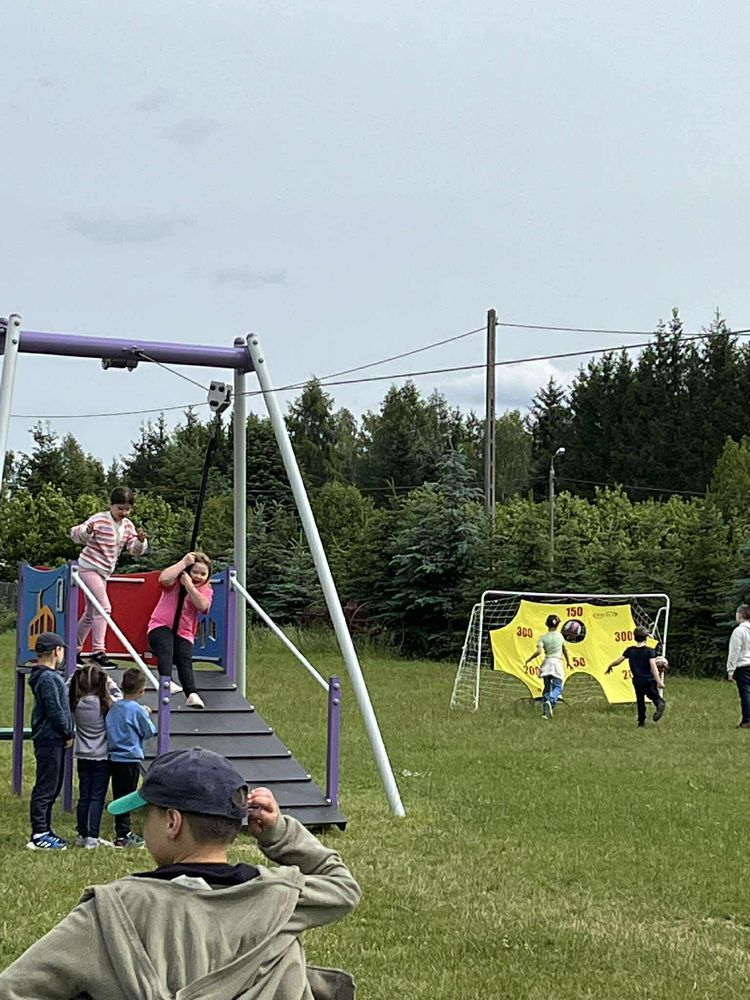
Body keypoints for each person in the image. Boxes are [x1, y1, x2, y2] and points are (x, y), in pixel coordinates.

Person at [0, 747, 362, 999]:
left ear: (172, 822)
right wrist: (279, 832)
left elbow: (14, 989)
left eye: (148, 815)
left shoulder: (111, 911)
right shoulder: (281, 899)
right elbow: (343, 886)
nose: (144, 825)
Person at [70, 486, 148, 668]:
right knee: (104, 608)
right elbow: (76, 535)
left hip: (103, 572)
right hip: (88, 568)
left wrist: (140, 541)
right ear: (111, 505)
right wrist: (87, 531)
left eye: (127, 509)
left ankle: (72, 650)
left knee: (90, 614)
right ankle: (98, 651)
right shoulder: (99, 519)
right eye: (120, 508)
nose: (124, 513)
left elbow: (134, 550)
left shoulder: (128, 526)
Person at [147, 551, 213, 710]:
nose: (198, 576)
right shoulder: (175, 582)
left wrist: (189, 585)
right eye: (195, 572)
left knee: (185, 659)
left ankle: (191, 693)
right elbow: (163, 578)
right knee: (166, 649)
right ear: (187, 571)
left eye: (203, 574)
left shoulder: (205, 590)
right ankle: (166, 681)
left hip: (184, 632)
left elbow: (202, 605)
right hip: (160, 625)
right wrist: (183, 563)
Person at [26, 632, 74, 851]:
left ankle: (46, 829)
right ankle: (39, 833)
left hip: (53, 738)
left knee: (53, 786)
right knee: (46, 786)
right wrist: (67, 732)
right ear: (57, 651)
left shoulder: (49, 676)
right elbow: (55, 710)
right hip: (50, 738)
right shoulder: (48, 678)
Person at [69, 662, 122, 848]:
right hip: (101, 755)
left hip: (82, 754)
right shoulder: (105, 704)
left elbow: (68, 687)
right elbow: (120, 697)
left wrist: (75, 677)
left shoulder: (76, 703)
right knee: (96, 797)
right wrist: (111, 683)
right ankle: (93, 836)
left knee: (84, 796)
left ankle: (82, 834)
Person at [105, 666, 156, 848]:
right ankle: (124, 833)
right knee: (128, 796)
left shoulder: (114, 707)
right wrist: (146, 714)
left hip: (113, 757)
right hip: (130, 758)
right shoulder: (137, 710)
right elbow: (149, 731)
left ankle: (121, 830)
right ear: (142, 690)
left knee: (118, 794)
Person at [605, 625, 666, 726]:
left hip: (637, 681)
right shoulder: (650, 651)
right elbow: (653, 667)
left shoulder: (630, 650)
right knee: (654, 696)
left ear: (634, 637)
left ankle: (641, 721)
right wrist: (659, 681)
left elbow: (619, 661)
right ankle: (660, 704)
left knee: (640, 700)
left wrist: (610, 666)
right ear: (646, 638)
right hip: (649, 680)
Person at [524, 613, 571, 720]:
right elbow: (565, 650)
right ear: (558, 625)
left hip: (547, 664)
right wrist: (568, 662)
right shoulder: (560, 636)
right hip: (557, 664)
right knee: (558, 686)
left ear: (546, 624)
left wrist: (529, 659)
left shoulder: (543, 638)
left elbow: (539, 651)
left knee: (547, 687)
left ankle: (545, 713)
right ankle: (551, 700)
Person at [726, 603, 750, 728]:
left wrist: (730, 669)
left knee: (745, 693)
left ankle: (747, 720)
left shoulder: (739, 631)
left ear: (740, 615)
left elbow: (734, 651)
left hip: (743, 665)